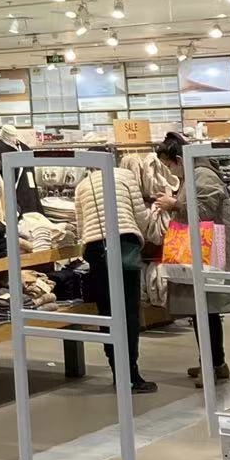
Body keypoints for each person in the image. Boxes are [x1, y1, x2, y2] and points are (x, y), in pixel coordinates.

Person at [69, 162, 171, 392]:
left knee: (108, 312)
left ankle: (117, 371)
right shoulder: (125, 176)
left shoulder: (82, 185)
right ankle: (132, 374)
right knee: (129, 311)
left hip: (96, 249)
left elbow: (81, 226)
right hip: (125, 244)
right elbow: (141, 218)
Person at [157, 132, 230, 385]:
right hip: (200, 250)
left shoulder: (202, 175)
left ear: (178, 158)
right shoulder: (193, 175)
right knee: (202, 311)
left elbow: (204, 210)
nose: (169, 169)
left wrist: (174, 204)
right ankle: (214, 362)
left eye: (169, 164)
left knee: (205, 310)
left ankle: (212, 366)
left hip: (207, 252)